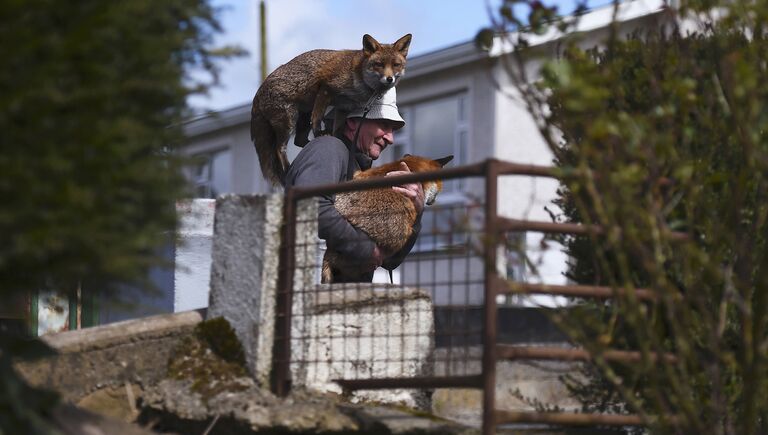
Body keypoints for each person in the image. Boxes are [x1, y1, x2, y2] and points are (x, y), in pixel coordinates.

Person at [284, 88, 423, 282]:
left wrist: (416, 211)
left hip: (337, 301)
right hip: (307, 298)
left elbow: (389, 260)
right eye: (384, 124)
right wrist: (365, 249)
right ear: (352, 122)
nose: (391, 138)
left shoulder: (360, 170)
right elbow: (309, 205)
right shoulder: (329, 148)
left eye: (393, 130)